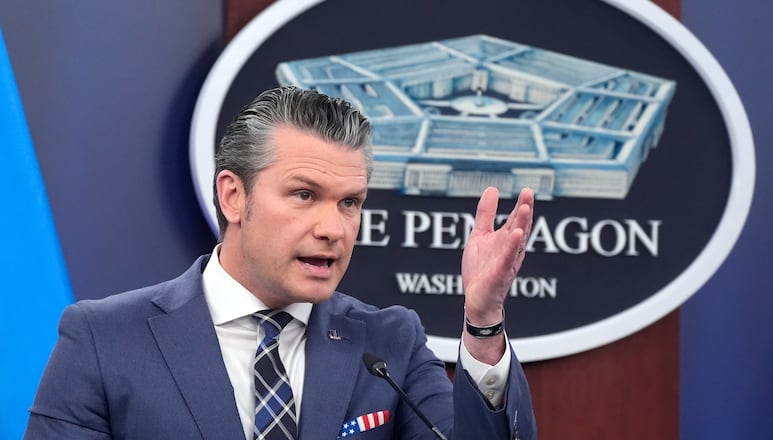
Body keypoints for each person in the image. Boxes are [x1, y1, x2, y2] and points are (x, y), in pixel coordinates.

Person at [24, 86, 537, 439]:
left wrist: (484, 320)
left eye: (349, 202)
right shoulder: (105, 339)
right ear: (233, 196)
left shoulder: (387, 343)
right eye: (304, 195)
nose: (333, 229)